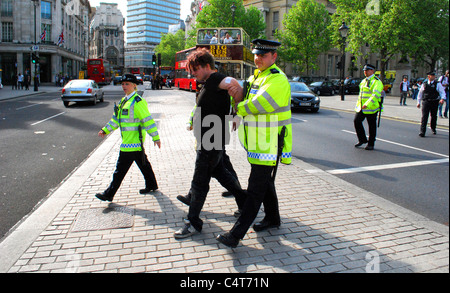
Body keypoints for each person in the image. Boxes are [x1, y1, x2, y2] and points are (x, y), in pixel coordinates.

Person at [216, 39, 293, 248]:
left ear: (274, 57)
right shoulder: (256, 76)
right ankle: (273, 218)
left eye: (264, 55)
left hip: (269, 143)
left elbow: (258, 104)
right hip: (258, 143)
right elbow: (243, 97)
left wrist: (239, 106)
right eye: (257, 55)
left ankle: (235, 235)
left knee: (255, 189)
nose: (258, 59)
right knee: (266, 182)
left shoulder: (277, 79)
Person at [174, 48, 246, 239]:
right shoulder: (207, 82)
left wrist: (237, 90)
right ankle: (245, 200)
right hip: (212, 138)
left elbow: (233, 83)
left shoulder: (215, 79)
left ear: (207, 66)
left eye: (195, 69)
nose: (192, 73)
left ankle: (192, 222)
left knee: (200, 181)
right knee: (221, 172)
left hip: (211, 140)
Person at [95, 74, 161, 202]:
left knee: (119, 171)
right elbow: (116, 120)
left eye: (127, 84)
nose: (124, 86)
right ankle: (152, 185)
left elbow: (147, 120)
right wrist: (105, 130)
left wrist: (155, 137)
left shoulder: (138, 102)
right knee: (144, 164)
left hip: (132, 143)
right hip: (129, 142)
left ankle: (109, 193)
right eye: (123, 84)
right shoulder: (123, 101)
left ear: (134, 85)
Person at [353, 64, 384, 150]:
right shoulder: (363, 81)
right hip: (361, 108)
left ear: (372, 71)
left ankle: (371, 144)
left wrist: (367, 104)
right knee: (356, 121)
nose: (365, 72)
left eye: (367, 70)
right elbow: (361, 95)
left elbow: (375, 95)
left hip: (371, 108)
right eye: (364, 70)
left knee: (372, 126)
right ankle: (362, 139)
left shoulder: (377, 81)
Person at [416, 71, 447, 137]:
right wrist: (418, 102)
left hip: (434, 101)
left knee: (433, 116)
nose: (434, 77)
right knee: (424, 116)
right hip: (426, 101)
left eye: (434, 75)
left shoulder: (437, 84)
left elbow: (442, 92)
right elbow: (420, 94)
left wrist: (442, 99)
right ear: (429, 76)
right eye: (432, 75)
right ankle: (422, 131)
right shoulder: (424, 84)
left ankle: (433, 128)